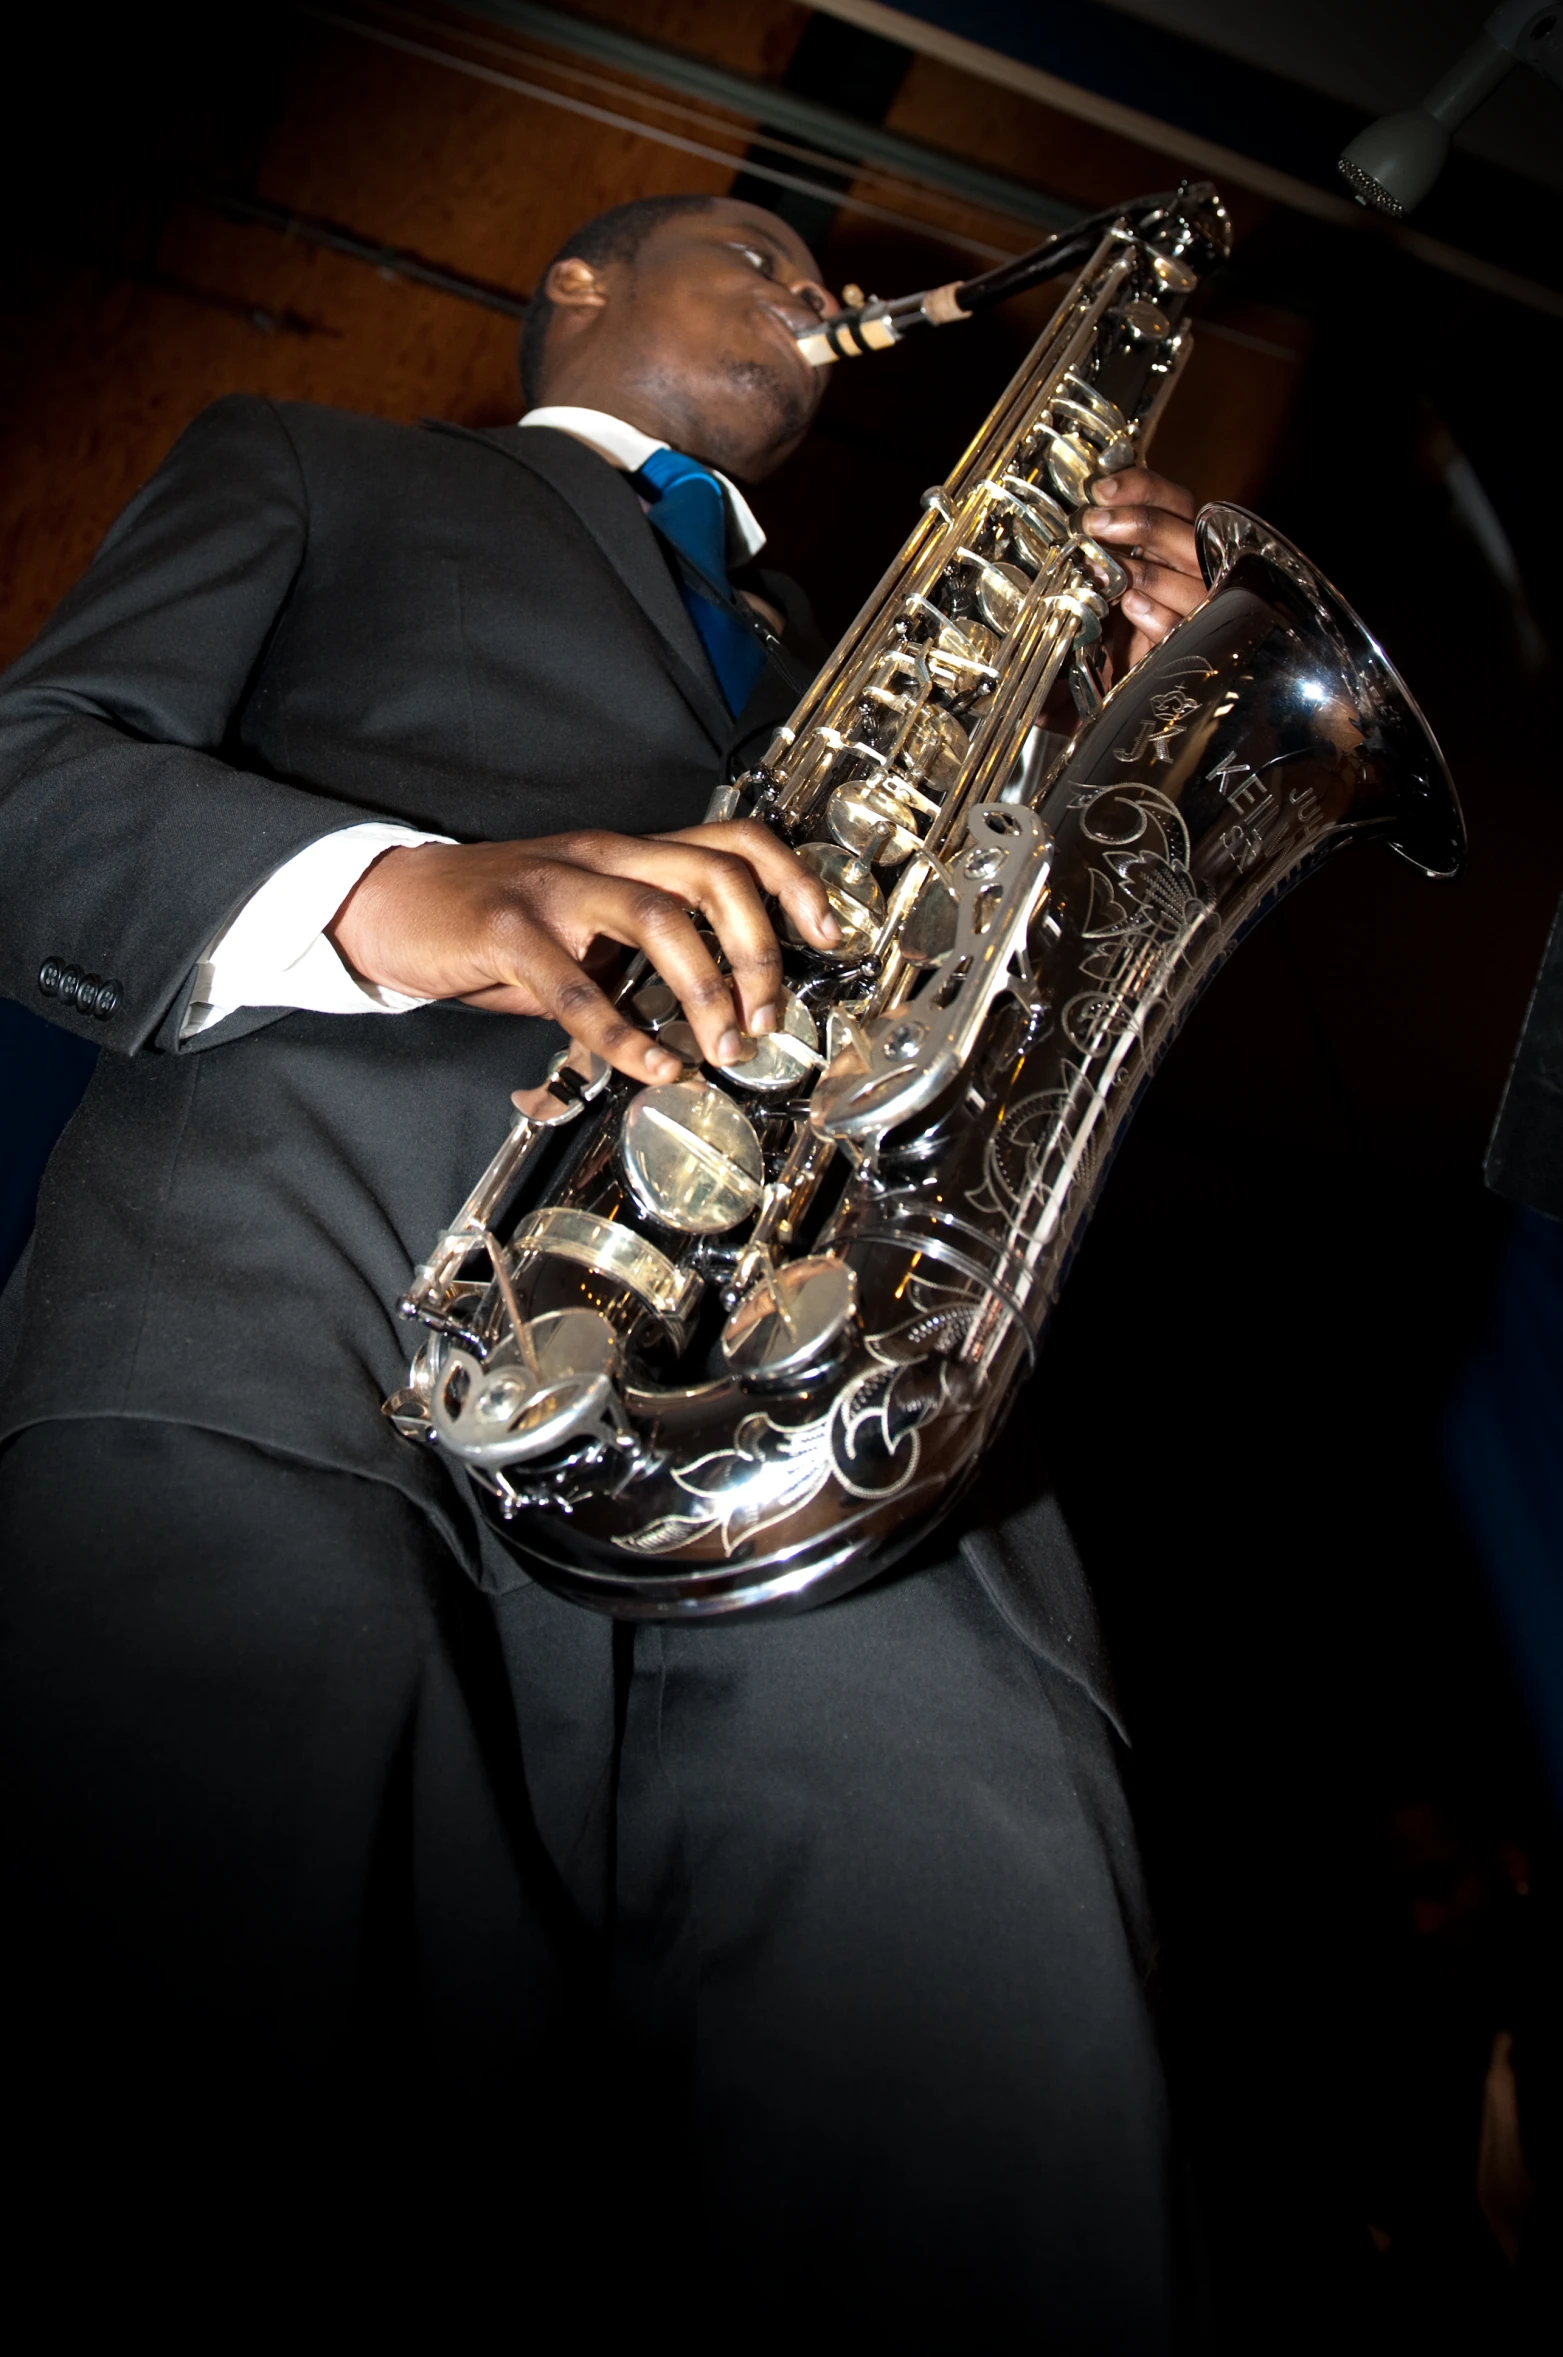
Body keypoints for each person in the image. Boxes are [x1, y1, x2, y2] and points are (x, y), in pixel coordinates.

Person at [0, 193, 1212, 2335]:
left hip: (855, 1429)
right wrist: (416, 894)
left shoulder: (891, 635)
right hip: (311, 1328)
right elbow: (30, 788)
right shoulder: (305, 450)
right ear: (573, 281)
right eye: (746, 243)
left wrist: (1110, 717)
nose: (808, 290)